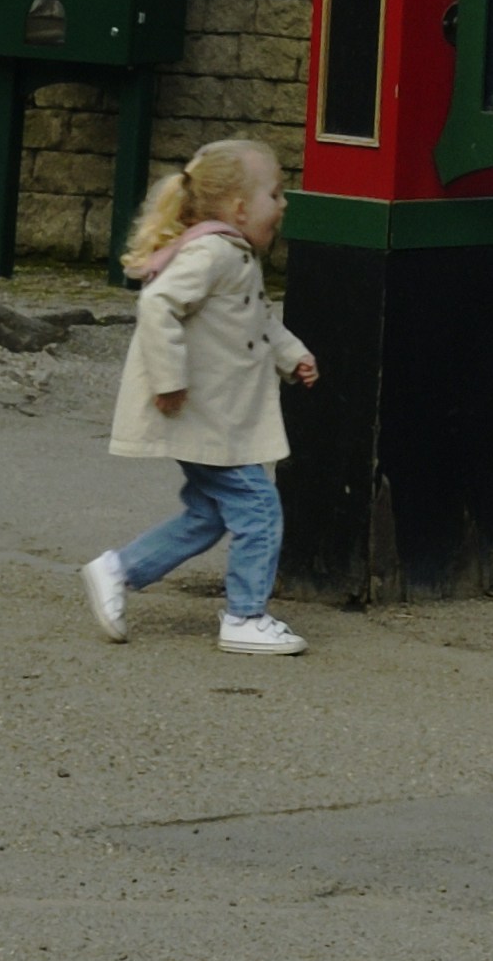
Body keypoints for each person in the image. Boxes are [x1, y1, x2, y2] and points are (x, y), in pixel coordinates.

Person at [83, 131, 319, 654]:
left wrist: (292, 354)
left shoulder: (234, 255)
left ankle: (118, 570)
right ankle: (245, 616)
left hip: (218, 417)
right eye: (275, 194)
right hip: (204, 414)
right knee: (259, 509)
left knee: (208, 515)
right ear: (239, 207)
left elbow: (257, 320)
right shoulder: (211, 253)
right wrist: (168, 382)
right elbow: (157, 306)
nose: (282, 205)